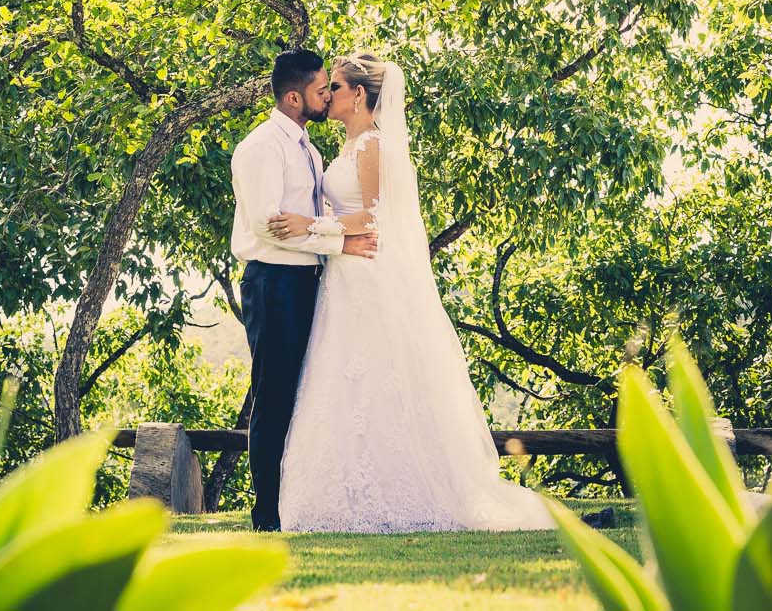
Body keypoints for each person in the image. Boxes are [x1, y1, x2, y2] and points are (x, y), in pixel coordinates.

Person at [270, 51, 553, 533]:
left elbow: (375, 217)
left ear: (358, 95)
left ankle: (401, 492)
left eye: (334, 86)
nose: (327, 94)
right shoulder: (345, 147)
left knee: (379, 380)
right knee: (348, 384)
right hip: (345, 278)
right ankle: (346, 495)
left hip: (368, 279)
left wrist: (309, 225)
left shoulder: (372, 147)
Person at [230, 48, 378, 531]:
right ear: (294, 98)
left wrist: (334, 244)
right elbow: (269, 226)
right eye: (320, 90)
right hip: (273, 283)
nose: (326, 97)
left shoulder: (311, 151)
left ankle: (296, 502)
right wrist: (341, 242)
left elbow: (310, 219)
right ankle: (266, 512)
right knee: (273, 397)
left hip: (308, 282)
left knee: (304, 395)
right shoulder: (260, 148)